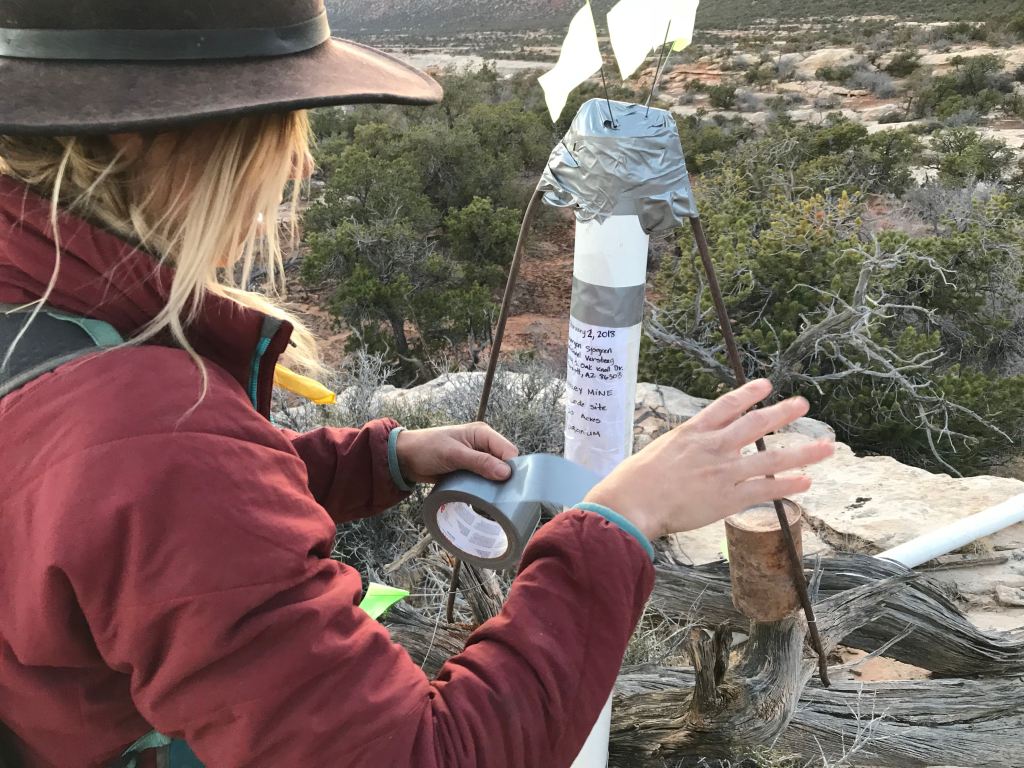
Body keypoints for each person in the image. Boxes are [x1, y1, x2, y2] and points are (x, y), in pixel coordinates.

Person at [0, 1, 835, 766]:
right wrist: (624, 520)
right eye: (285, 120)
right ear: (160, 137)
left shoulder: (44, 309)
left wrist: (378, 459)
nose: (298, 162)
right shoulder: (156, 436)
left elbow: (95, 502)